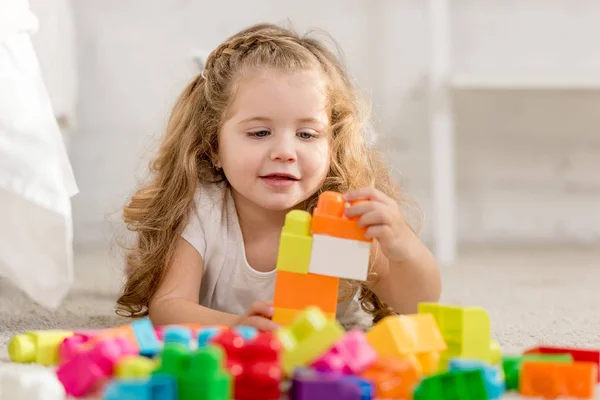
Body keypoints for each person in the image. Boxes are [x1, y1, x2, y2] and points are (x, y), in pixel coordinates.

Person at [116, 23, 441, 331]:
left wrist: (402, 246)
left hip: (315, 352)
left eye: (307, 134)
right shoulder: (206, 209)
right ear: (213, 146)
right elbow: (169, 305)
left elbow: (419, 304)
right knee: (150, 264)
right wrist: (236, 326)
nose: (284, 151)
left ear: (332, 146)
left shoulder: (339, 218)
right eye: (260, 132)